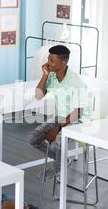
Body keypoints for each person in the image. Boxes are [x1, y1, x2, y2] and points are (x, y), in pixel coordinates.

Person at [29, 45, 89, 178]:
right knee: (34, 138)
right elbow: (39, 95)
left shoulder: (76, 83)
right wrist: (45, 75)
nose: (48, 63)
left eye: (52, 61)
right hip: (61, 117)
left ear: (63, 62)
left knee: (59, 140)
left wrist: (57, 129)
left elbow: (77, 112)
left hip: (78, 121)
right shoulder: (52, 76)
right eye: (48, 59)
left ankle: (58, 168)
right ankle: (61, 159)